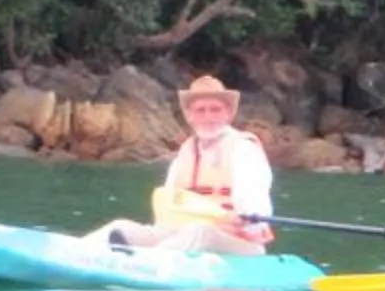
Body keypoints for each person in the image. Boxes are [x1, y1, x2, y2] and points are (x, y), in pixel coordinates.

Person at [104, 75, 275, 256]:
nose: (208, 117)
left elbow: (255, 203)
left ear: (228, 113)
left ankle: (141, 261)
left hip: (238, 243)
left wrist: (247, 216)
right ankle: (88, 254)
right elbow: (169, 208)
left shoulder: (244, 149)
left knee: (200, 231)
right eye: (200, 110)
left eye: (215, 110)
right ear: (190, 116)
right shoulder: (183, 156)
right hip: (184, 235)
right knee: (121, 227)